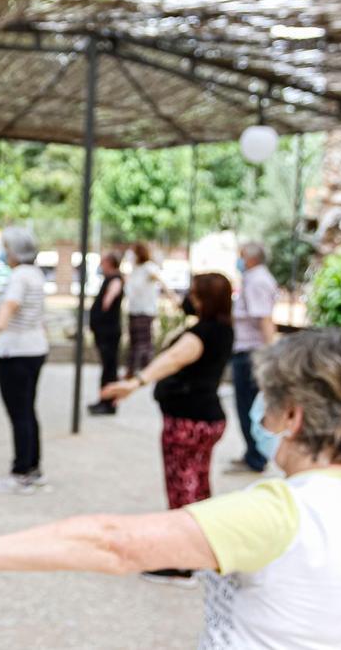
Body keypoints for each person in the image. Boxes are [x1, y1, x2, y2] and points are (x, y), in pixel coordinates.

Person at [0, 328, 341, 650]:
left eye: (267, 401)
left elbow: (114, 543)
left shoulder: (280, 513)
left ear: (291, 416)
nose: (258, 413)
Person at [102, 272, 234, 584]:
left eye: (193, 293)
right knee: (198, 484)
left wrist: (134, 383)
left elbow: (173, 359)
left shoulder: (200, 334)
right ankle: (205, 550)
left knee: (182, 487)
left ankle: (182, 561)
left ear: (203, 299)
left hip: (188, 421)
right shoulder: (225, 330)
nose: (188, 298)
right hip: (209, 419)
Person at [0, 226, 49, 495]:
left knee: (19, 413)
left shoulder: (19, 276)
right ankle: (33, 467)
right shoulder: (36, 274)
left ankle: (21, 472)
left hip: (15, 352)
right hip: (34, 349)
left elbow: (10, 305)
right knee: (28, 411)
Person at [227, 242, 279, 475]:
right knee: (246, 405)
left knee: (248, 406)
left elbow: (264, 319)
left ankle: (256, 456)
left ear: (249, 259)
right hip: (250, 351)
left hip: (252, 353)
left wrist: (271, 355)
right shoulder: (254, 279)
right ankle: (252, 453)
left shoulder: (257, 281)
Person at [88, 251, 124, 416]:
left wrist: (104, 305)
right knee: (107, 368)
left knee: (109, 369)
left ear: (110, 262)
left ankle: (108, 402)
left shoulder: (115, 279)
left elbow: (109, 299)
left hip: (108, 332)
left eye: (103, 261)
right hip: (104, 331)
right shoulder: (111, 279)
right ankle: (105, 400)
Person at [123, 242, 165, 378]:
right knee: (135, 342)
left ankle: (145, 371)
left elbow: (160, 280)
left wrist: (174, 298)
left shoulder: (148, 268)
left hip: (145, 311)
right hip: (134, 310)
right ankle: (133, 369)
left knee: (143, 342)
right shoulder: (135, 270)